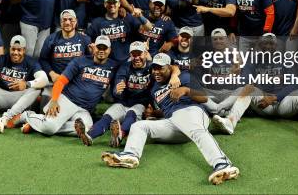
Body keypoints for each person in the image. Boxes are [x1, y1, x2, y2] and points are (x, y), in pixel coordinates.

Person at [101, 53, 240, 186]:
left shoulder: (184, 76)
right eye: (154, 68)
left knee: (197, 130)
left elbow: (203, 98)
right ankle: (130, 155)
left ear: (169, 67)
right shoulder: (154, 88)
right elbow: (166, 110)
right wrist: (155, 113)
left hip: (191, 111)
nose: (156, 71)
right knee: (139, 126)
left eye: (160, 68)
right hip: (174, 122)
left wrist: (185, 90)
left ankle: (223, 164)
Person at [20, 36, 118, 137]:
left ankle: (40, 124)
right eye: (99, 47)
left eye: (104, 48)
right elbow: (61, 81)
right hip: (67, 100)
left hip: (84, 109)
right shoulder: (80, 61)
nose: (101, 51)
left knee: (87, 129)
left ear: (110, 50)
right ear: (94, 48)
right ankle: (27, 116)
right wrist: (54, 100)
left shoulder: (114, 67)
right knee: (49, 128)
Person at [74, 41, 153, 147]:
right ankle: (89, 136)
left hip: (139, 104)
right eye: (134, 54)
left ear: (145, 53)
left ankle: (119, 136)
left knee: (131, 114)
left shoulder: (152, 68)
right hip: (122, 102)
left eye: (139, 54)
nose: (137, 57)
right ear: (130, 55)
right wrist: (117, 89)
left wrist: (151, 105)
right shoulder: (125, 67)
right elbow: (118, 86)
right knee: (107, 117)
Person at [0, 35, 49, 133]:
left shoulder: (31, 62)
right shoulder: (1, 59)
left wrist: (26, 84)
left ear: (24, 50)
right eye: (13, 49)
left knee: (36, 88)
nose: (15, 52)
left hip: (18, 100)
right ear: (9, 48)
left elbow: (44, 79)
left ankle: (5, 119)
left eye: (19, 50)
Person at [87, 0, 154, 63]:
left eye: (114, 2)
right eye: (109, 2)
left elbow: (149, 28)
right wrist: (93, 49)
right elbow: (86, 38)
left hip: (128, 61)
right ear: (105, 4)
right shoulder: (97, 22)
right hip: (108, 62)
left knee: (148, 58)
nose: (112, 5)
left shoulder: (127, 18)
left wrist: (140, 16)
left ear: (119, 4)